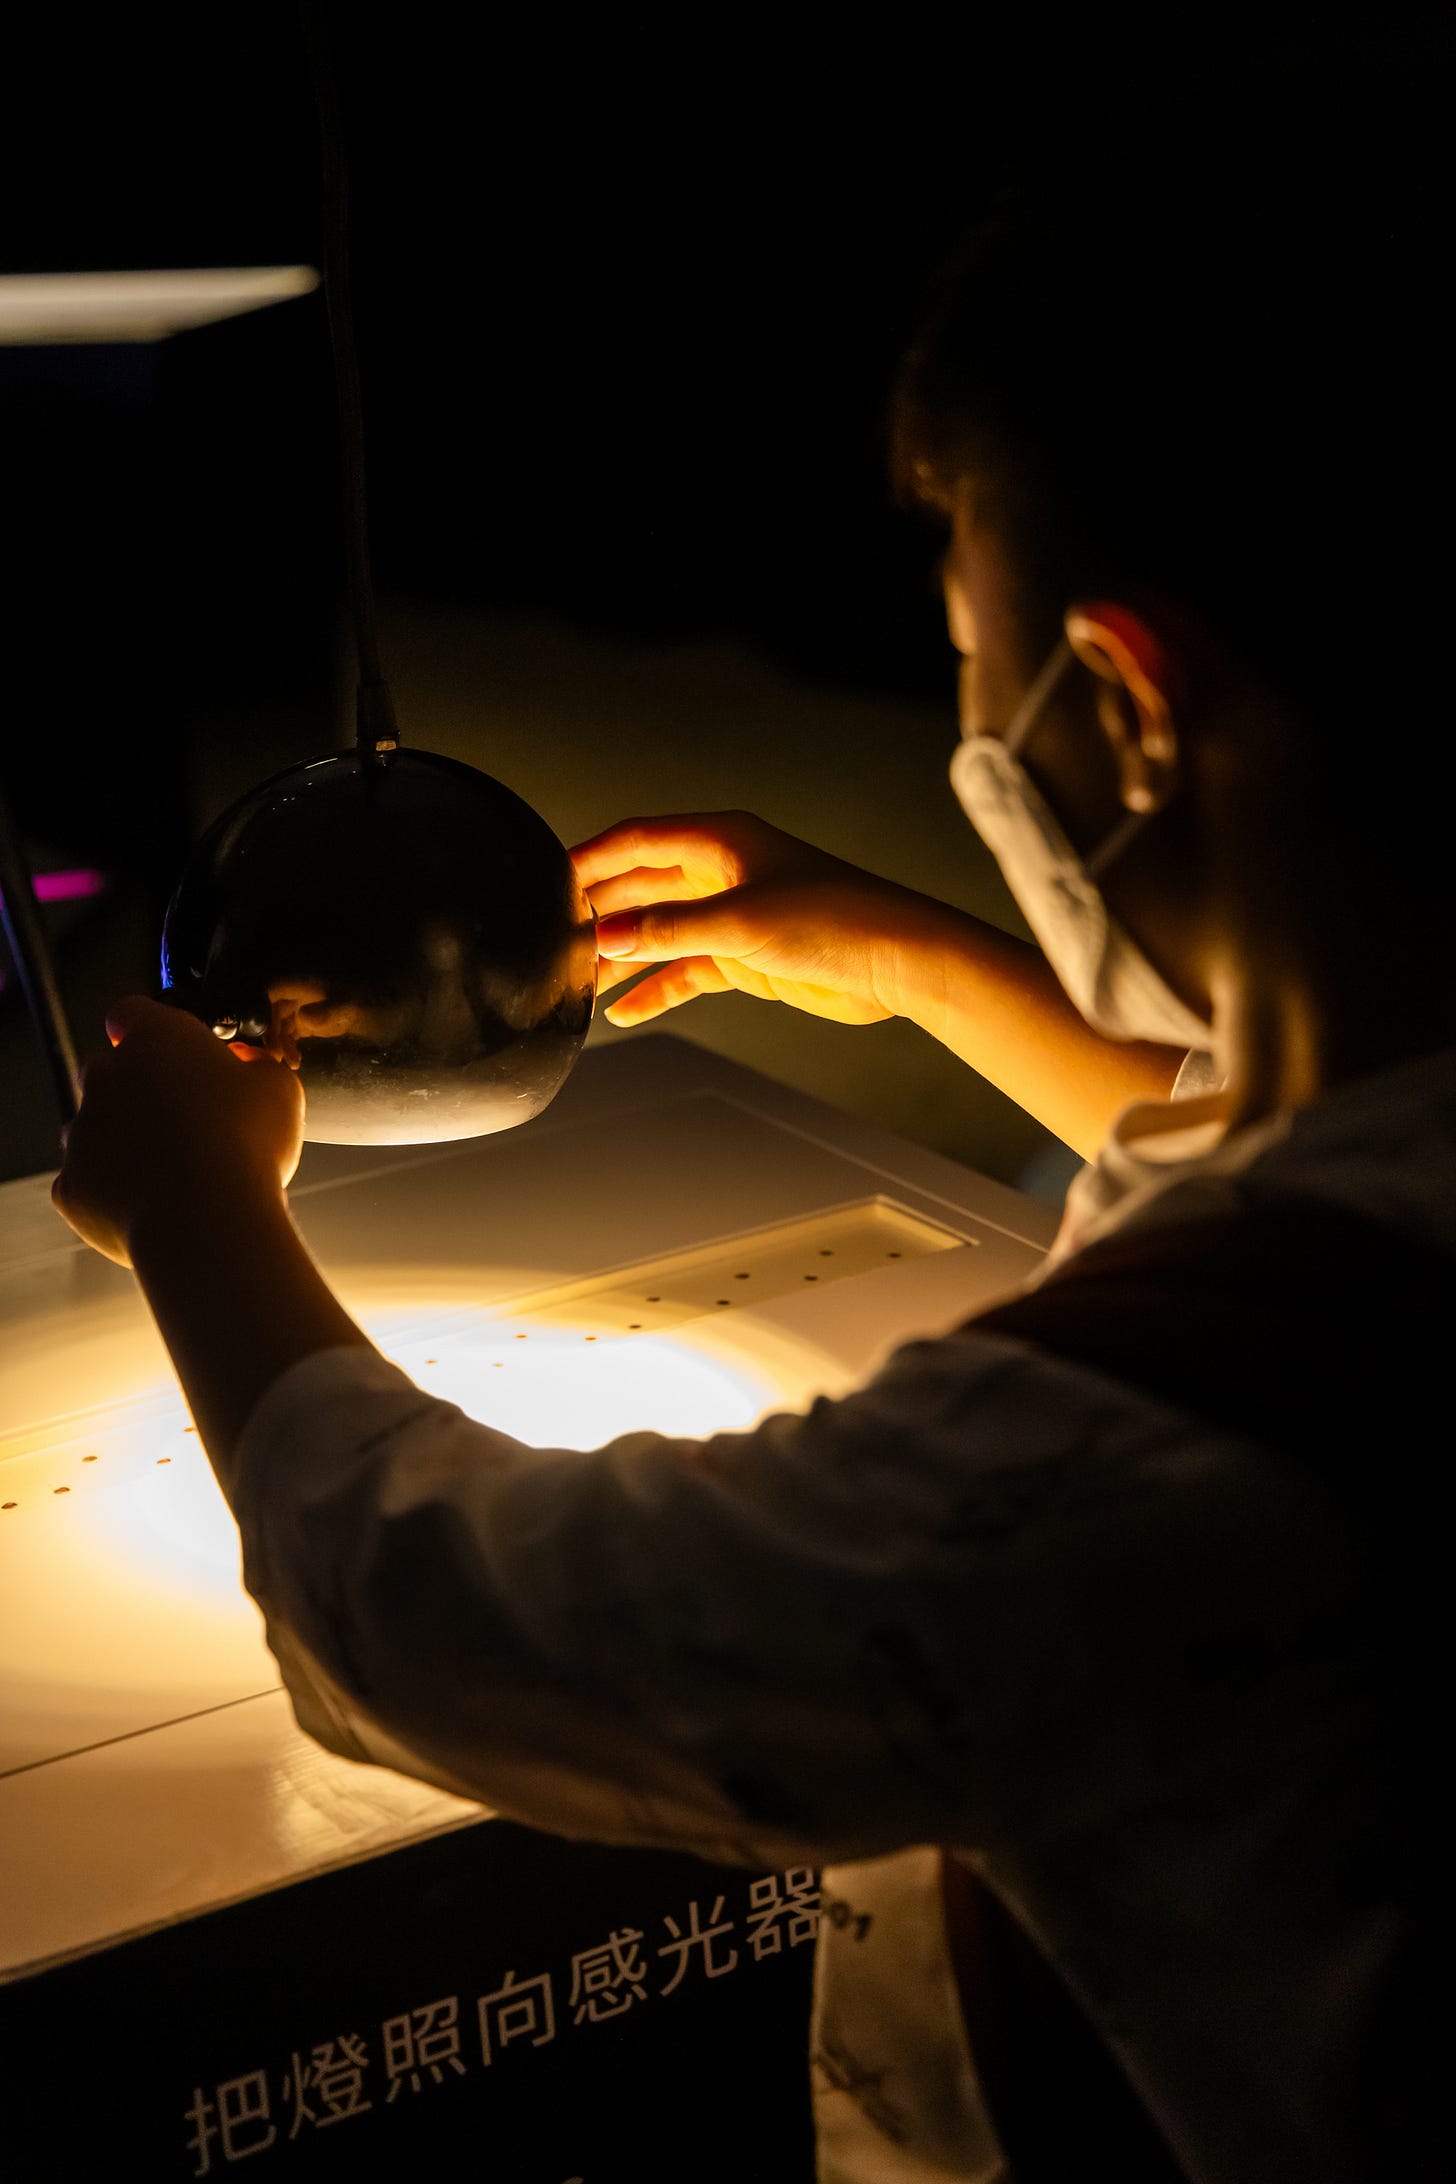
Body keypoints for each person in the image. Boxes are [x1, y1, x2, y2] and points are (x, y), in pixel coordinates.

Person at [51, 56, 1444, 2184]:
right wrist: (928, 964)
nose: (977, 722)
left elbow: (447, 1620)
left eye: (978, 655)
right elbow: (1306, 1173)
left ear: (1131, 702)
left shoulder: (1113, 1470)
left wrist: (204, 1216)